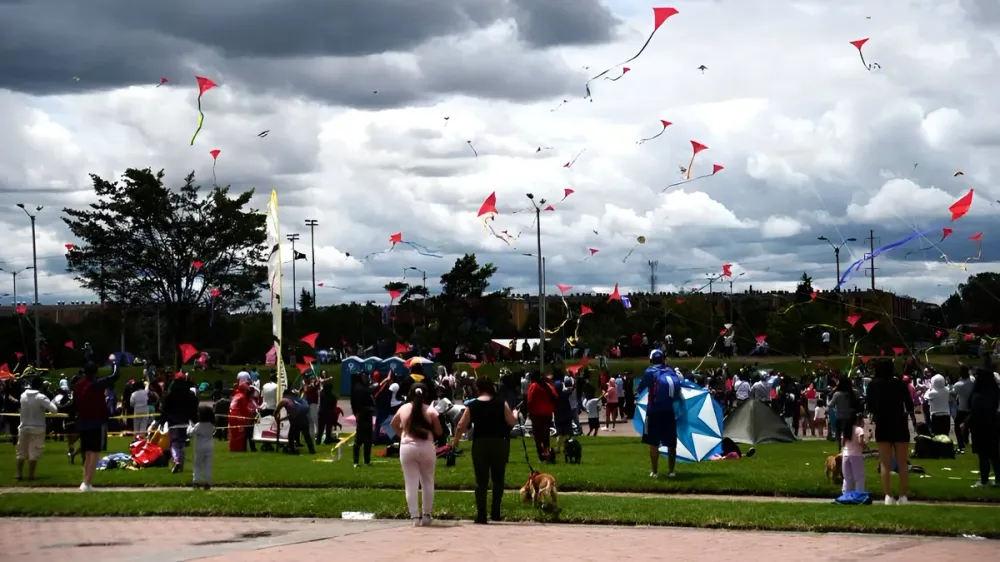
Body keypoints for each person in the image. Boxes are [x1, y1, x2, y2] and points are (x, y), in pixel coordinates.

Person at [453, 377, 516, 524]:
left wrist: (455, 443)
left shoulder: (472, 405)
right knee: (498, 479)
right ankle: (495, 512)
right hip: (500, 443)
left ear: (477, 388)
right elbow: (511, 422)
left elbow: (461, 425)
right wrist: (516, 414)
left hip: (480, 443)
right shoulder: (501, 403)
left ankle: (481, 514)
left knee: (481, 481)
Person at [865, 359, 916, 505]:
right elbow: (909, 405)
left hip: (882, 423)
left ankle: (888, 495)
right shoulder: (899, 384)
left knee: (885, 464)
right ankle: (903, 496)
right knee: (902, 463)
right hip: (899, 423)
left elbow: (870, 406)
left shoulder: (873, 385)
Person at [392, 384, 442, 527]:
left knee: (411, 483)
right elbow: (439, 431)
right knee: (427, 481)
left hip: (407, 447)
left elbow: (393, 423)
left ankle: (415, 517)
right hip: (426, 446)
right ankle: (426, 515)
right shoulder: (431, 410)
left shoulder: (403, 408)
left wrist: (402, 435)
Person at [74, 359, 120, 491]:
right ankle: (88, 482)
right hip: (96, 422)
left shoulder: (77, 385)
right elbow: (115, 375)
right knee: (94, 453)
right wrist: (114, 362)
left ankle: (85, 481)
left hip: (82, 422)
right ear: (95, 373)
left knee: (88, 452)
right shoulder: (95, 384)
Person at [637, 349, 684, 478]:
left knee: (653, 442)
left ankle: (655, 472)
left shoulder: (650, 372)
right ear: (663, 359)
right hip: (669, 411)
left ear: (651, 360)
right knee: (671, 443)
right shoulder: (671, 371)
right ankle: (671, 471)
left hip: (653, 411)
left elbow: (640, 388)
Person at [16, 377, 58, 481]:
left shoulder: (23, 396)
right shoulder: (41, 397)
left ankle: (19, 474)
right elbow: (54, 410)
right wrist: (53, 402)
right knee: (34, 453)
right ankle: (31, 476)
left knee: (21, 452)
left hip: (23, 426)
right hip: (37, 428)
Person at [966, 360, 999, 488]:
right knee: (994, 454)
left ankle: (984, 480)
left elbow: (973, 410)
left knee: (983, 455)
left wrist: (968, 423)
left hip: (980, 427)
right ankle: (998, 478)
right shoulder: (993, 390)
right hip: (992, 425)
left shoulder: (978, 394)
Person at [159, 373, 199, 473]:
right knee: (182, 444)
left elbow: (164, 410)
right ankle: (180, 464)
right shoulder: (189, 395)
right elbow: (193, 409)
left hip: (173, 423)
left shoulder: (170, 396)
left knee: (174, 444)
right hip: (185, 423)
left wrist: (162, 421)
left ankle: (176, 460)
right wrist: (195, 421)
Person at [526, 371, 557, 461]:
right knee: (545, 436)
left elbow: (530, 400)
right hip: (547, 414)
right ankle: (548, 453)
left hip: (536, 414)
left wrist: (529, 411)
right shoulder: (548, 386)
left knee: (538, 437)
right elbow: (555, 397)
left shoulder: (533, 386)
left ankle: (541, 456)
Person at [274, 390, 315, 454]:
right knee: (307, 435)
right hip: (304, 418)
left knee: (291, 436)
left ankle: (292, 450)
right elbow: (292, 413)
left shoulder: (285, 400)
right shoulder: (297, 400)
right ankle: (312, 450)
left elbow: (276, 411)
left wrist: (276, 419)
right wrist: (281, 419)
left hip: (296, 420)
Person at [187, 405, 215, 489]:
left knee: (197, 464)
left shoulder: (198, 425)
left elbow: (190, 433)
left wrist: (189, 426)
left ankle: (196, 481)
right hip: (210, 446)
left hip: (200, 447)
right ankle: (208, 482)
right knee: (208, 465)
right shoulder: (211, 425)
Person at [351, 372, 375, 467]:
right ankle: (357, 461)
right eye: (364, 377)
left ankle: (366, 460)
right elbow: (369, 392)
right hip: (363, 416)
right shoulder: (359, 388)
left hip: (364, 415)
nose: (366, 379)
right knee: (360, 439)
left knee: (367, 440)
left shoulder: (359, 387)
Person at [829, 377, 859, 445]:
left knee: (840, 436)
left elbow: (831, 404)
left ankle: (841, 450)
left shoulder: (837, 394)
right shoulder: (854, 393)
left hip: (840, 417)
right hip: (851, 417)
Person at [841, 415, 867, 494]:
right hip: (856, 455)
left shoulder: (846, 430)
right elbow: (860, 442)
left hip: (846, 454)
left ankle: (846, 494)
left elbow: (843, 443)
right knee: (859, 477)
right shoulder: (859, 429)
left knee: (847, 477)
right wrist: (865, 446)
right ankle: (859, 493)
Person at [953, 366, 974, 453]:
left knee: (957, 427)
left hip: (962, 408)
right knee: (972, 428)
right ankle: (972, 443)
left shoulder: (958, 385)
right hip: (972, 408)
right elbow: (971, 376)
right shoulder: (973, 381)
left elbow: (954, 394)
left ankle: (961, 444)